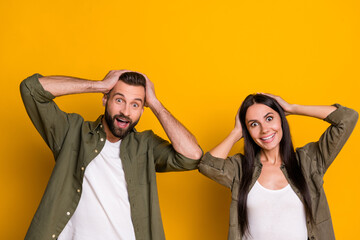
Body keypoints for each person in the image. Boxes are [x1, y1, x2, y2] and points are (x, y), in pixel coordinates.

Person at [20, 70, 202, 240]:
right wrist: (98, 85)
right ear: (105, 99)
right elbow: (31, 89)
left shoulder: (146, 145)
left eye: (135, 104)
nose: (126, 111)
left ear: (142, 109)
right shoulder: (72, 132)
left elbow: (192, 155)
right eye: (119, 100)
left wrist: (155, 103)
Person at [198, 93, 358, 240]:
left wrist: (292, 108)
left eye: (269, 118)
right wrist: (236, 132)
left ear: (281, 118)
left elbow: (347, 118)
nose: (264, 129)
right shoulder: (240, 168)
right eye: (254, 124)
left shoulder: (309, 161)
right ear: (247, 131)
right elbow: (207, 166)